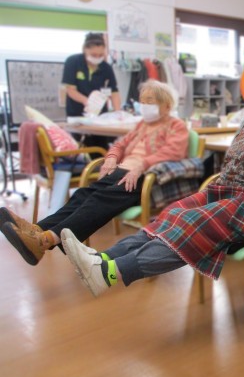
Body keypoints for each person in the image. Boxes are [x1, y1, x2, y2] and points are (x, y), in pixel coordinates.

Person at [60, 50, 244, 297]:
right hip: (227, 195)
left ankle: (109, 273)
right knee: (172, 214)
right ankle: (102, 260)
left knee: (190, 225)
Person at [0, 80, 189, 266]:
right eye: (143, 101)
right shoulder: (143, 125)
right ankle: (36, 230)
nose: (144, 106)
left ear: (167, 105)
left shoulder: (177, 126)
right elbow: (120, 145)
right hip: (123, 171)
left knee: (99, 199)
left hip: (146, 178)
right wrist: (111, 158)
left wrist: (141, 165)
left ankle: (45, 240)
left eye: (150, 101)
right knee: (83, 194)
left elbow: (173, 152)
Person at [62, 32, 121, 150]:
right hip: (78, 114)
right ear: (85, 49)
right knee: (83, 149)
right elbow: (71, 90)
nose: (97, 58)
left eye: (101, 55)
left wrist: (118, 112)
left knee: (101, 148)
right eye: (94, 54)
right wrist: (87, 102)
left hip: (100, 117)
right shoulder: (73, 62)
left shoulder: (106, 68)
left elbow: (114, 92)